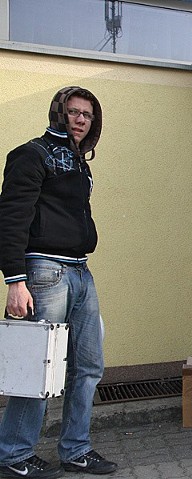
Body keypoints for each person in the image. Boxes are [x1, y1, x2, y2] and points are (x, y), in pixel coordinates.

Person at [0, 87, 117, 478]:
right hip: (44, 273)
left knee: (88, 366)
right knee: (37, 366)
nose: (81, 119)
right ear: (58, 113)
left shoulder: (79, 162)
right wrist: (15, 281)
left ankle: (76, 450)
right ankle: (15, 454)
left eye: (88, 114)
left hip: (81, 271)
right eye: (74, 112)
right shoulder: (31, 154)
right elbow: (12, 218)